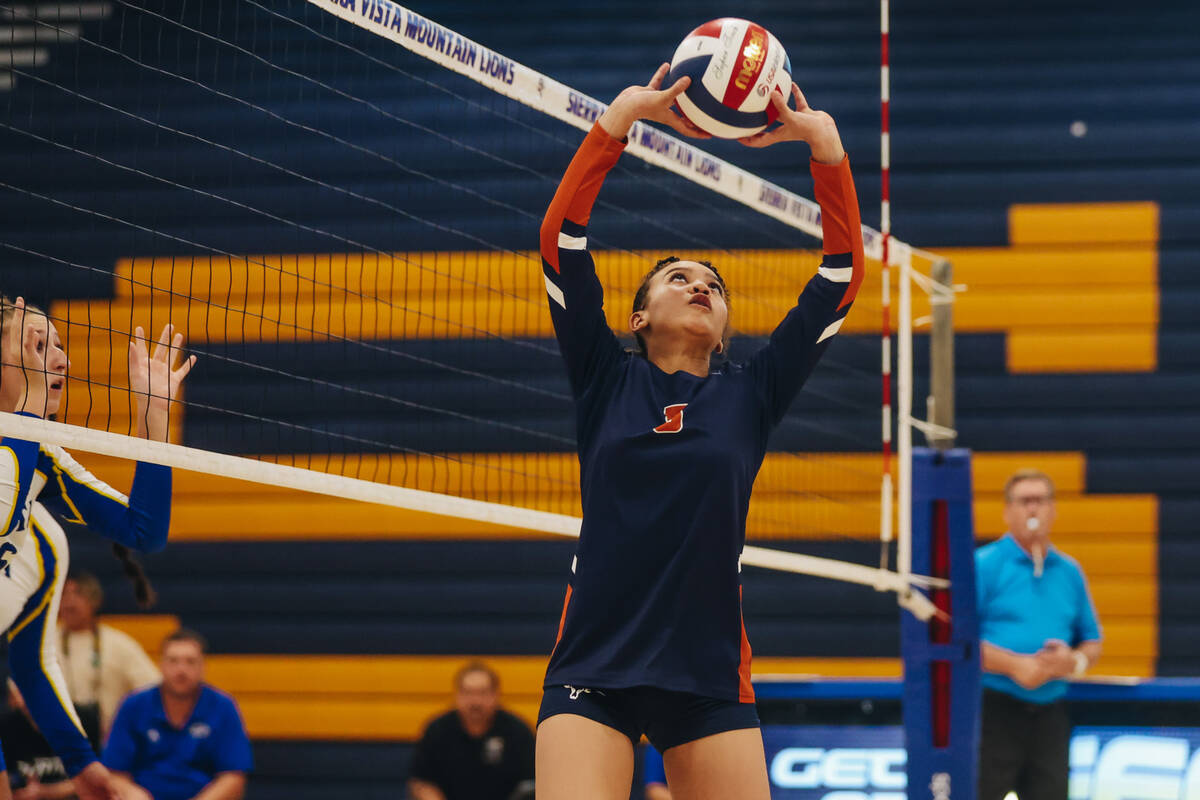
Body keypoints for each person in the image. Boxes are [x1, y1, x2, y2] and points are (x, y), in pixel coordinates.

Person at [533, 64, 864, 800]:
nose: (701, 287)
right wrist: (619, 118)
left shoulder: (752, 393)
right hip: (596, 666)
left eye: (713, 285)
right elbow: (561, 244)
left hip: (707, 674)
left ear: (723, 332)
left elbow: (841, 276)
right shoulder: (604, 375)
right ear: (638, 317)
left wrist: (828, 152)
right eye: (679, 278)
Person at [0, 296, 194, 800]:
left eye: (60, 345)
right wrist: (27, 408)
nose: (61, 360)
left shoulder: (41, 540)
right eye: (39, 345)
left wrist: (153, 426)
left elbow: (144, 531)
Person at [975, 469, 1104, 800]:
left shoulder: (1069, 571)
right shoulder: (984, 565)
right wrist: (1015, 665)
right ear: (1007, 511)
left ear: (1053, 510)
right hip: (993, 713)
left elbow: (1092, 640)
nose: (1033, 509)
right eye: (1024, 501)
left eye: (1040, 500)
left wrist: (1072, 661)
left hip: (1050, 716)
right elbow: (956, 642)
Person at [102, 629, 251, 800]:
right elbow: (114, 773)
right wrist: (135, 795)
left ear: (203, 666)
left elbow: (234, 778)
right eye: (173, 661)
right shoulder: (133, 705)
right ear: (161, 665)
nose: (181, 670)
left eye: (190, 662)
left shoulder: (224, 707)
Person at [58, 571, 161, 747]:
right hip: (56, 739)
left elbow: (154, 688)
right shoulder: (43, 643)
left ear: (95, 601)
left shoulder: (118, 643)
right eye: (64, 595)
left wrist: (124, 722)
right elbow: (19, 694)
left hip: (109, 740)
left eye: (78, 594)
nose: (69, 601)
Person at [407, 661, 535, 800]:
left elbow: (529, 786)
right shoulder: (437, 731)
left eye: (482, 693)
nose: (475, 701)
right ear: (457, 695)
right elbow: (421, 783)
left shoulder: (518, 732)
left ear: (496, 695)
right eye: (468, 692)